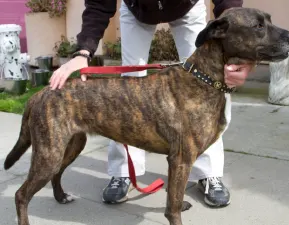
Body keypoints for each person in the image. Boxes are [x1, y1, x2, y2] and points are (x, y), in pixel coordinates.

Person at [50, 0, 253, 207]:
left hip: (188, 6)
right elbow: (99, 3)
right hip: (137, 9)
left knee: (211, 80)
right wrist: (83, 52)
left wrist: (238, 39)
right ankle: (124, 172)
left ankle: (208, 173)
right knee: (125, 93)